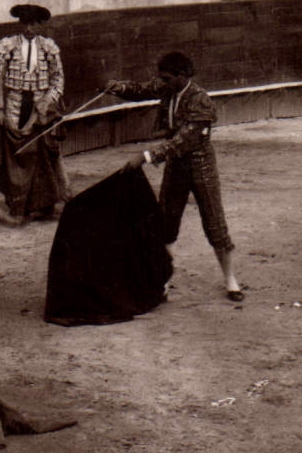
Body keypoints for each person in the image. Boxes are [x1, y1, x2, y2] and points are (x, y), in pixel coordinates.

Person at [104, 52, 244, 302]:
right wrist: (119, 87)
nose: (162, 83)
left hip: (201, 167)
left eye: (166, 78)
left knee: (214, 223)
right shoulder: (169, 86)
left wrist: (146, 156)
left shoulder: (200, 100)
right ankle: (163, 279)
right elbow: (141, 89)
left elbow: (183, 141)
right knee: (166, 223)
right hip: (176, 167)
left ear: (182, 76)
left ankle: (231, 280)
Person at [0, 3, 67, 221]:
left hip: (41, 107)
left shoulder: (49, 47)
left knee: (43, 155)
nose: (29, 28)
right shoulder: (7, 46)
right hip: (14, 104)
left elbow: (58, 81)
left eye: (33, 23)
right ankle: (18, 203)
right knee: (14, 157)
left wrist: (46, 103)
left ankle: (44, 203)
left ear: (40, 25)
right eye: (25, 23)